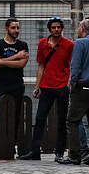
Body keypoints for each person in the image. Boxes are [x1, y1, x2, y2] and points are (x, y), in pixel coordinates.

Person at [22, 18, 73, 161]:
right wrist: (37, 86)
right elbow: (41, 65)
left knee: (61, 120)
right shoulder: (42, 44)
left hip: (62, 85)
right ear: (49, 29)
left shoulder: (69, 45)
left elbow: (71, 66)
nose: (56, 30)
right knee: (39, 118)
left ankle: (59, 151)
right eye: (53, 27)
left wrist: (67, 84)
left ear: (62, 29)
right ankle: (35, 150)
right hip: (47, 85)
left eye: (58, 27)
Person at [63, 18, 89, 165]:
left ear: (82, 29)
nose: (77, 30)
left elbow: (76, 67)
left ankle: (74, 155)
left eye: (79, 28)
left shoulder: (80, 43)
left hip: (84, 86)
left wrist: (72, 84)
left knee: (72, 121)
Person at [0, 18, 29, 155]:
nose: (16, 31)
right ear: (7, 29)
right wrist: (16, 57)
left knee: (16, 115)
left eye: (18, 28)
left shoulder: (23, 45)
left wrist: (4, 61)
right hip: (1, 83)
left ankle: (13, 145)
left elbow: (22, 64)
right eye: (13, 28)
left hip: (16, 84)